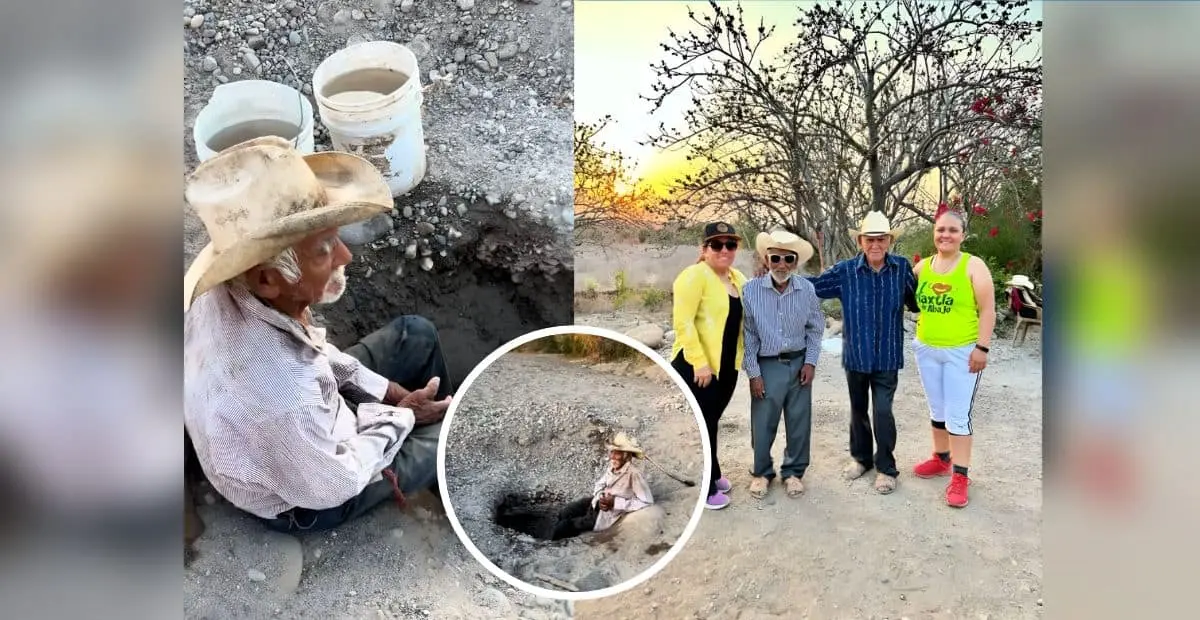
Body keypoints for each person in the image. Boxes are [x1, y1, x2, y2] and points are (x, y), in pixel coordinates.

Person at [183, 137, 454, 533]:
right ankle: (451, 468)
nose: (345, 256)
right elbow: (337, 483)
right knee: (449, 435)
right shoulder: (283, 398)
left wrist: (387, 391)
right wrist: (401, 417)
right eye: (325, 250)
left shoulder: (239, 287)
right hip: (306, 495)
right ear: (268, 279)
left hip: (288, 433)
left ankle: (436, 423)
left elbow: (311, 351)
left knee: (415, 334)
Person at [808, 211, 917, 494]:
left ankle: (886, 468)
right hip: (856, 355)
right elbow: (813, 287)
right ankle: (861, 459)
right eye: (870, 239)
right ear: (860, 241)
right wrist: (775, 279)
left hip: (887, 356)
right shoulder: (845, 271)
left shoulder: (902, 268)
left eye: (881, 239)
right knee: (858, 411)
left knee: (882, 411)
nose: (875, 244)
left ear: (890, 241)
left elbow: (917, 300)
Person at [910, 206, 996, 508]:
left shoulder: (974, 266)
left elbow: (987, 310)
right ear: (934, 234)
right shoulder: (922, 268)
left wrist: (981, 348)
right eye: (940, 230)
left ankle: (960, 475)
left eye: (952, 230)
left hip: (962, 352)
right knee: (937, 409)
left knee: (958, 415)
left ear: (962, 235)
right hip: (927, 349)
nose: (945, 235)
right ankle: (941, 458)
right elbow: (907, 300)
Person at [741, 231, 824, 499]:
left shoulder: (807, 289)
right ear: (767, 259)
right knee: (763, 421)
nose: (782, 265)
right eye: (776, 258)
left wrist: (810, 362)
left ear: (796, 262)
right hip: (767, 365)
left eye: (789, 259)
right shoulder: (751, 291)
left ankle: (793, 473)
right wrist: (754, 373)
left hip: (799, 361)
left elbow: (815, 328)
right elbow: (749, 335)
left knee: (799, 420)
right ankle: (762, 473)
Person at [671, 222, 748, 510]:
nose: (724, 250)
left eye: (731, 244)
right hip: (698, 366)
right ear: (704, 250)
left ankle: (714, 474)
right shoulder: (693, 276)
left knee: (712, 421)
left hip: (727, 365)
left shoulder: (737, 277)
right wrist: (699, 363)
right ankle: (707, 487)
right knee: (704, 423)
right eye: (717, 245)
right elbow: (683, 323)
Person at [500, 433, 655, 541]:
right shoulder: (613, 467)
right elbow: (600, 483)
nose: (613, 457)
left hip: (606, 515)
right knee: (566, 511)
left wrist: (616, 503)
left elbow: (647, 501)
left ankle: (555, 542)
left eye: (618, 454)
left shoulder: (633, 474)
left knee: (565, 527)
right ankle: (553, 528)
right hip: (596, 502)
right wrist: (600, 495)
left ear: (627, 455)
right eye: (613, 452)